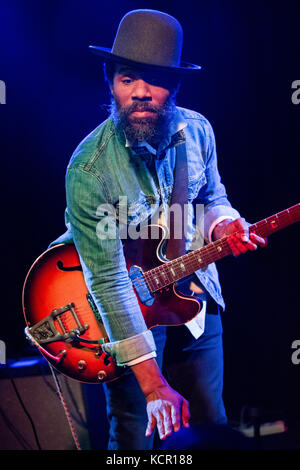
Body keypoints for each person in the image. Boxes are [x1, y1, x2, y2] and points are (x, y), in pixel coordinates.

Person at [51, 9, 266, 450]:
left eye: (155, 79)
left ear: (177, 86)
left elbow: (211, 200)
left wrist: (225, 224)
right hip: (128, 312)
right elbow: (109, 281)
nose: (141, 93)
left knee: (211, 428)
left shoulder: (198, 131)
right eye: (129, 78)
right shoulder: (89, 170)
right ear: (110, 80)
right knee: (133, 436)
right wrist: (152, 385)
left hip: (194, 298)